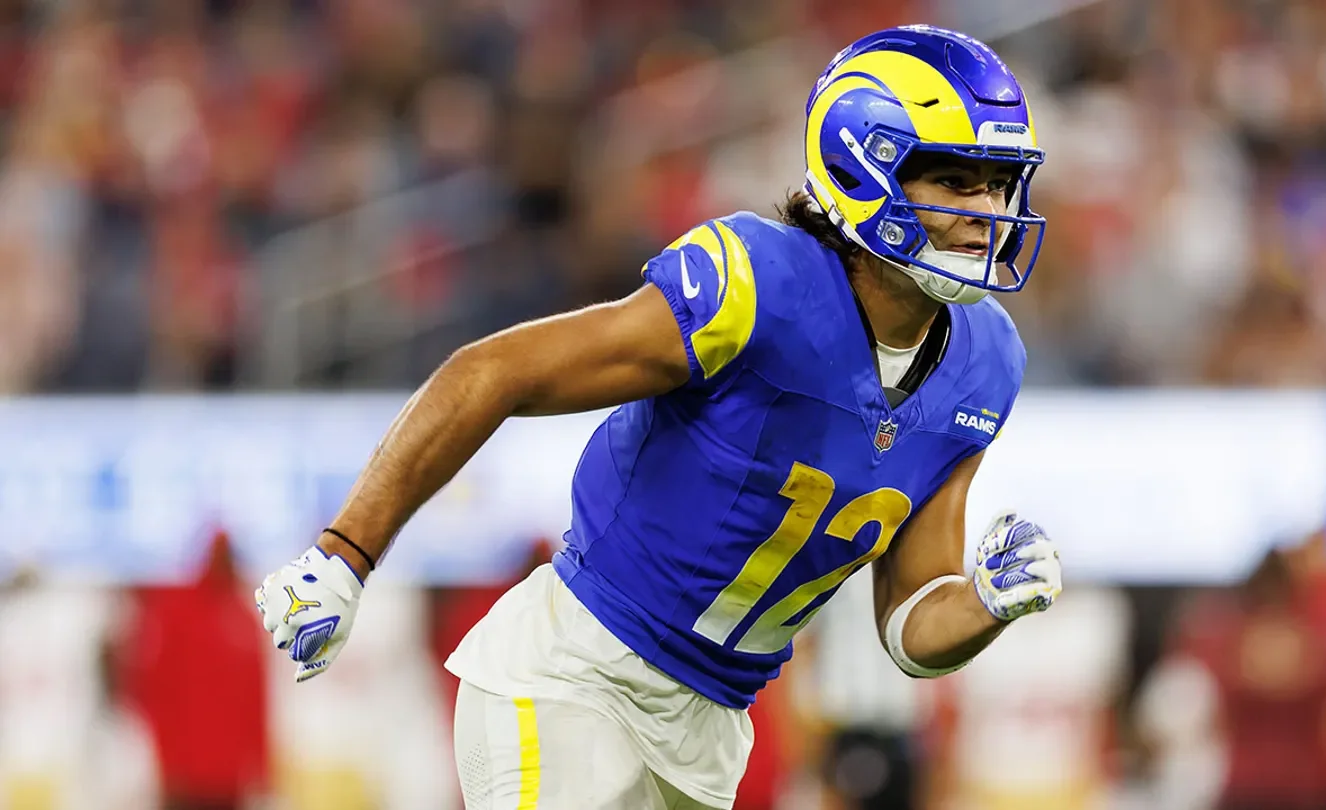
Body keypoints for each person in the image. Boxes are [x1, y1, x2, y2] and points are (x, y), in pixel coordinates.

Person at [254, 24, 1063, 810]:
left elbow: (912, 624)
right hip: (575, 675)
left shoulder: (985, 361)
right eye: (957, 181)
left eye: (997, 184)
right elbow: (490, 371)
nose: (987, 211)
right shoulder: (757, 287)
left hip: (711, 734)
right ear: (867, 169)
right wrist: (344, 555)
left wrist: (986, 606)